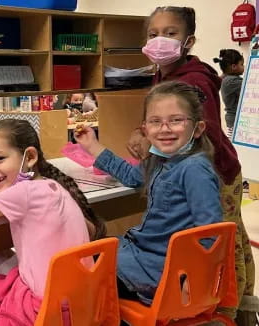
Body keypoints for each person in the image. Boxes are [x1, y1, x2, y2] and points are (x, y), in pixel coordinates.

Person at [128, 6, 257, 321]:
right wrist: (141, 129)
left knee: (225, 242)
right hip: (194, 168)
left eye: (170, 33)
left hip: (216, 171)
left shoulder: (195, 82)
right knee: (233, 237)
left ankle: (231, 309)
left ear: (188, 41)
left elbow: (202, 133)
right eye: (153, 33)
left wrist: (155, 143)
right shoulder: (164, 72)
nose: (160, 40)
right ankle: (242, 303)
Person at [76, 81, 221, 305]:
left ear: (198, 128)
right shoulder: (161, 159)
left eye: (176, 120)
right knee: (86, 257)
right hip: (145, 255)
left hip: (162, 270)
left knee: (81, 278)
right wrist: (93, 146)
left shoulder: (194, 169)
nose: (165, 129)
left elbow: (211, 234)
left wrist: (190, 283)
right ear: (145, 129)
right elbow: (132, 176)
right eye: (155, 122)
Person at [0, 119, 105, 325]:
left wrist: (0, 198)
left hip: (41, 310)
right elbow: (90, 228)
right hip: (81, 303)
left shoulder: (22, 192)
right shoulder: (55, 186)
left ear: (30, 157)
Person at [213, 49, 245, 138]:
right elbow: (249, 86)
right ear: (234, 66)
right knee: (238, 146)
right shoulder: (232, 81)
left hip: (233, 119)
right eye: (241, 64)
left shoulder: (226, 78)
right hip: (236, 120)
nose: (244, 67)